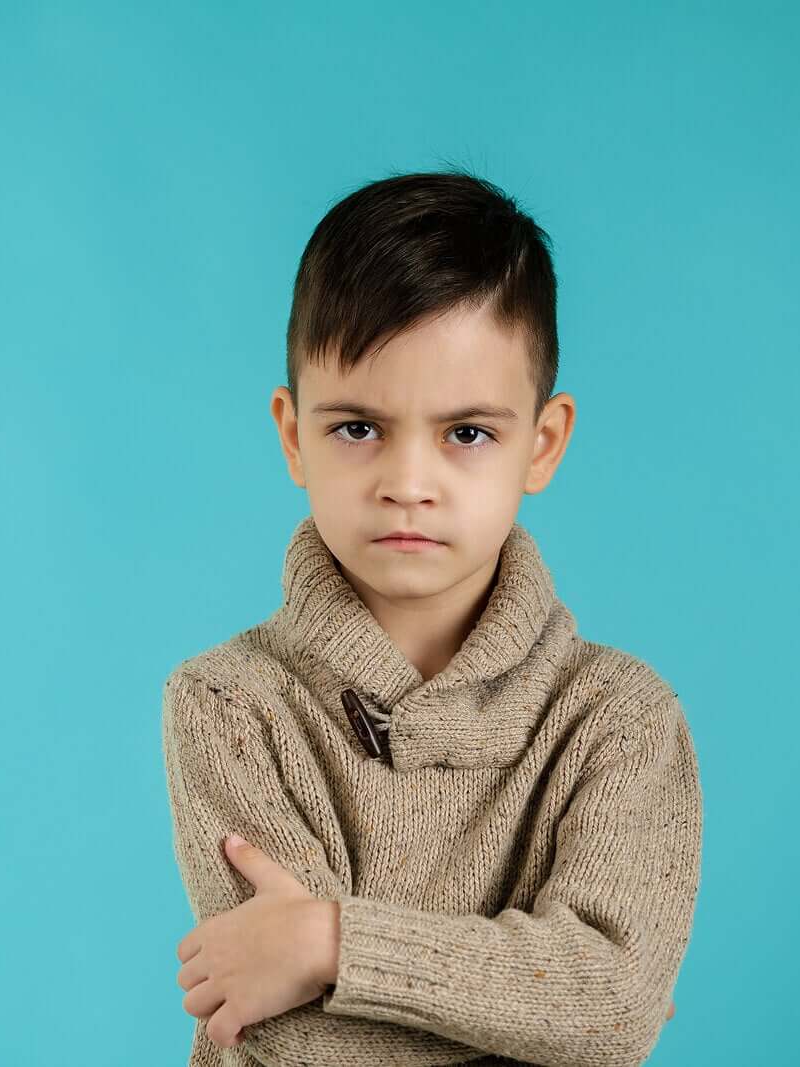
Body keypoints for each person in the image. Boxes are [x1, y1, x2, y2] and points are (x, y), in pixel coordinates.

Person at [162, 169, 702, 1067]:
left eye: (467, 433)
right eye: (358, 428)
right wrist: (535, 1003)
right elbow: (290, 1036)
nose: (408, 481)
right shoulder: (230, 703)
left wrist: (334, 945)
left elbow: (612, 1004)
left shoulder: (618, 717)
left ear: (543, 442)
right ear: (293, 435)